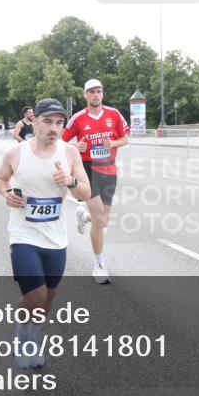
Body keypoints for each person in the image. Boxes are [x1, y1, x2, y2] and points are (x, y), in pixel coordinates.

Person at [0, 98, 90, 368]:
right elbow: (1, 180)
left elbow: (85, 192)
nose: (54, 128)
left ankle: (31, 333)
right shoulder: (16, 154)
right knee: (35, 297)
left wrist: (69, 181)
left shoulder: (69, 153)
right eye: (47, 121)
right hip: (24, 234)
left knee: (48, 296)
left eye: (59, 123)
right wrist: (7, 193)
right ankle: (24, 338)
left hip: (56, 237)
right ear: (33, 121)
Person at [62, 79, 130, 284]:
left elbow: (125, 138)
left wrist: (114, 142)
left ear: (103, 93)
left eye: (98, 91)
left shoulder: (113, 114)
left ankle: (84, 216)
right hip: (88, 169)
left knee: (103, 220)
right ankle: (99, 264)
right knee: (100, 219)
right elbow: (62, 142)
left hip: (109, 169)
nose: (95, 95)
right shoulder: (78, 118)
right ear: (85, 95)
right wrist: (76, 146)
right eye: (91, 92)